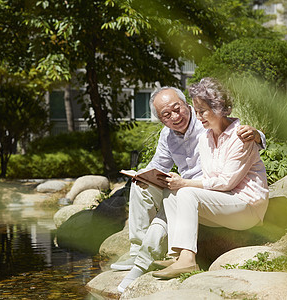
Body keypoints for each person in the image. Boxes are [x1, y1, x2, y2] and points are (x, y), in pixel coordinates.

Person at [113, 86, 266, 292]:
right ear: (160, 119)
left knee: (178, 193)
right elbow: (157, 165)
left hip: (215, 192)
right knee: (144, 188)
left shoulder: (207, 125)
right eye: (166, 115)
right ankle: (152, 253)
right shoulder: (178, 136)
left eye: (178, 109)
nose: (175, 117)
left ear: (187, 105)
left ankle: (145, 262)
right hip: (194, 190)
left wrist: (257, 136)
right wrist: (144, 177)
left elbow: (236, 134)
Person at [151, 77, 269, 279]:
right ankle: (177, 255)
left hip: (247, 207)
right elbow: (209, 177)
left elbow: (226, 182)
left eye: (202, 111)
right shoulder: (205, 138)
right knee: (172, 193)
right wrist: (178, 185)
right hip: (224, 204)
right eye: (196, 111)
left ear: (219, 107)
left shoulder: (240, 136)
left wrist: (185, 183)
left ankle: (188, 261)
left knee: (186, 191)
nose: (198, 117)